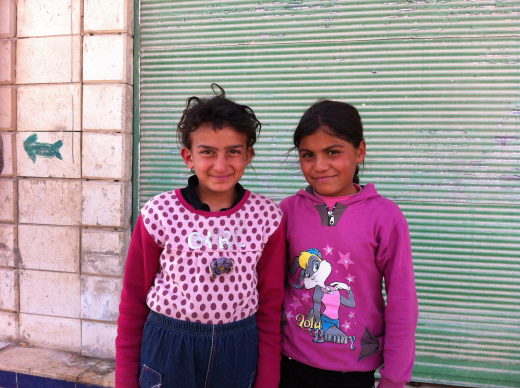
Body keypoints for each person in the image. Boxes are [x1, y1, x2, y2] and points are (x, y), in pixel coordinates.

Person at [116, 84, 286, 388]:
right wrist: (125, 381)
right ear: (188, 156)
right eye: (207, 152)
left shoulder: (268, 218)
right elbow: (133, 300)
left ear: (249, 155)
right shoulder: (159, 213)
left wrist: (268, 379)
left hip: (239, 349)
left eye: (233, 151)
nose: (221, 165)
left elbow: (272, 306)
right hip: (169, 347)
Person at [279, 100, 418, 388]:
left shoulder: (385, 216)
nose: (320, 166)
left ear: (360, 151)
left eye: (333, 152)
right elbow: (270, 291)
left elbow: (402, 301)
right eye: (308, 155)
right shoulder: (287, 212)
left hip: (353, 374)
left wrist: (394, 377)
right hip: (289, 364)